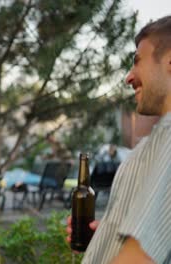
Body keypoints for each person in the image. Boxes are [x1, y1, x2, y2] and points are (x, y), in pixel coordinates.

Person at [66, 16, 171, 263]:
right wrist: (106, 238)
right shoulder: (155, 141)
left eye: (138, 62)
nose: (128, 77)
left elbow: (139, 258)